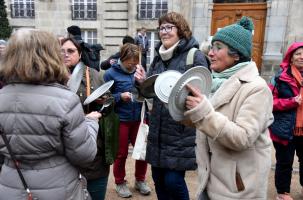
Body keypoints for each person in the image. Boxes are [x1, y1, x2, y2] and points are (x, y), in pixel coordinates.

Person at [0, 28, 101, 199]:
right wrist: (91, 123)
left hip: (11, 186)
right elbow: (84, 155)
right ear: (50, 55)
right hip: (58, 188)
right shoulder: (65, 100)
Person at [183, 16, 273, 200]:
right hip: (210, 179)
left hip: (238, 189)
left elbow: (242, 138)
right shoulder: (215, 83)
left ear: (236, 54)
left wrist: (203, 112)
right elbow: (204, 123)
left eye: (218, 47)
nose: (210, 53)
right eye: (212, 46)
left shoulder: (257, 88)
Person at [135, 12, 209, 200]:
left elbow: (203, 92)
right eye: (161, 28)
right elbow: (150, 91)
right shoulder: (159, 58)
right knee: (158, 179)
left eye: (169, 27)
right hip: (158, 131)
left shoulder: (194, 56)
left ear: (180, 30)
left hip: (180, 131)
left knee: (173, 181)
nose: (164, 32)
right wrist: (142, 81)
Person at [61, 37, 119, 200]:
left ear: (79, 54)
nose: (65, 55)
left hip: (92, 147)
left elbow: (109, 105)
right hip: (63, 151)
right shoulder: (50, 76)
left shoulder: (93, 75)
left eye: (71, 51)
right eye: (62, 51)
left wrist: (103, 104)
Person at [104, 43, 151, 198]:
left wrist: (141, 81)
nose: (133, 65)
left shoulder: (139, 70)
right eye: (130, 62)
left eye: (135, 61)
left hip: (139, 117)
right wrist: (119, 96)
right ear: (122, 58)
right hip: (121, 119)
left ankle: (140, 180)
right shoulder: (110, 73)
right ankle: (119, 182)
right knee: (121, 153)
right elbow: (104, 98)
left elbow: (147, 92)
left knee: (142, 152)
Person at [268, 42, 303, 200]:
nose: (301, 57)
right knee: (285, 162)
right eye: (298, 53)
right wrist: (292, 101)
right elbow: (269, 102)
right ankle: (283, 193)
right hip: (284, 127)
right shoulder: (279, 77)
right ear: (290, 57)